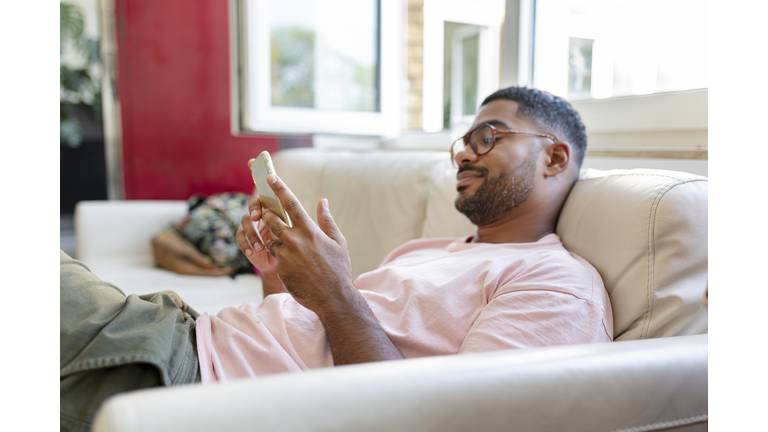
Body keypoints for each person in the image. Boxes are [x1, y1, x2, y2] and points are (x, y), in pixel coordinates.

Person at [60, 86, 613, 431]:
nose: (465, 153)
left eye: (488, 136)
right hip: (185, 336)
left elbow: (452, 420)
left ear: (555, 156)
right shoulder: (430, 251)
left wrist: (334, 291)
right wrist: (279, 277)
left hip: (185, 377)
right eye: (462, 142)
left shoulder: (556, 283)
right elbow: (312, 345)